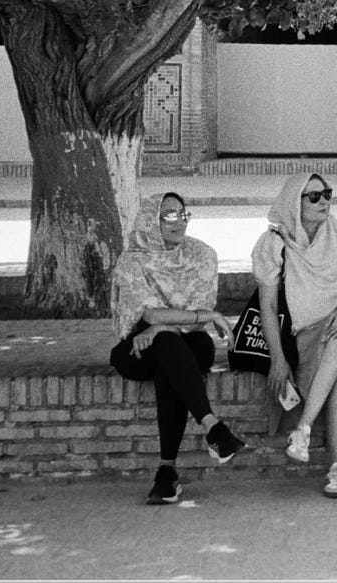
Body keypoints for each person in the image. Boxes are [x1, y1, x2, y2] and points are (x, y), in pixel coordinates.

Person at [109, 193, 244, 505]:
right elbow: (149, 316)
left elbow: (180, 313)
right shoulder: (132, 261)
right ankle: (212, 428)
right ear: (151, 221)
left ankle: (167, 473)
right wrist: (185, 322)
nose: (180, 222)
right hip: (139, 349)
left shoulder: (200, 254)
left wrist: (163, 327)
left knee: (171, 353)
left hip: (189, 342)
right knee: (169, 352)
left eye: (184, 214)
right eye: (170, 216)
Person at [253, 173, 337, 499]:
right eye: (313, 196)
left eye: (327, 194)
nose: (324, 202)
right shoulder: (273, 244)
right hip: (298, 336)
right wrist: (277, 359)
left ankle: (304, 430)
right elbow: (268, 309)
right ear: (294, 202)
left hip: (335, 329)